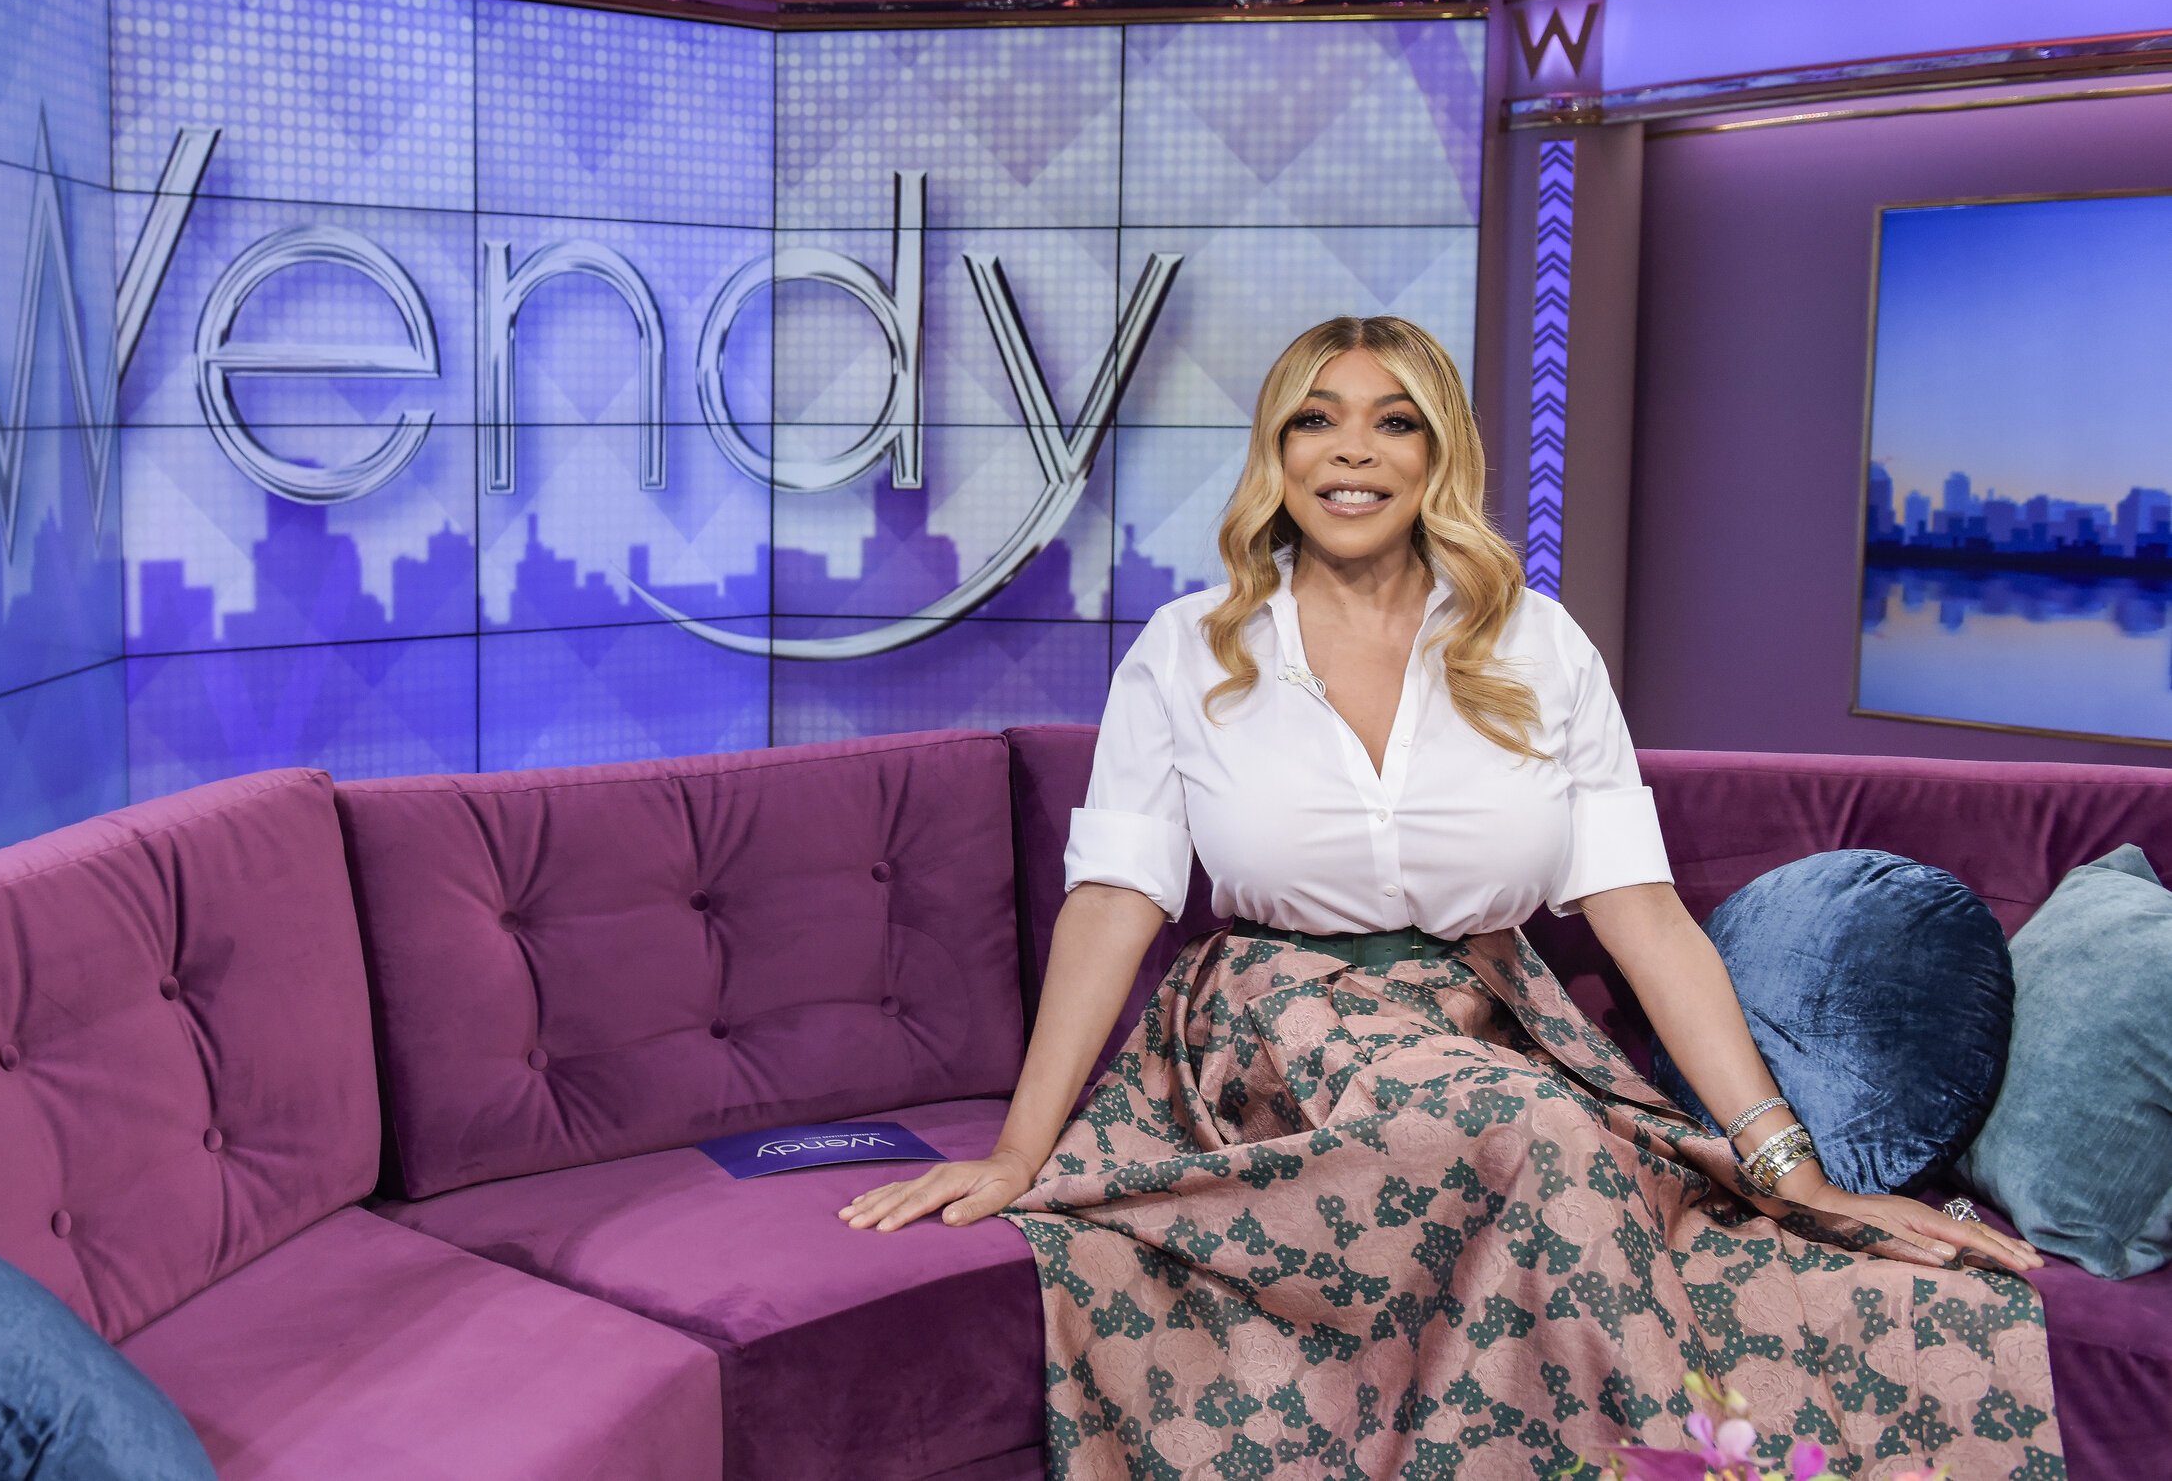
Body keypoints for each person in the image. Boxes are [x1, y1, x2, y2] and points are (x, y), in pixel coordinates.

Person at [839, 317, 2059, 1479]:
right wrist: (1018, 1151)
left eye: (1395, 422)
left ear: (1440, 456)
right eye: (1315, 420)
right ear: (1276, 452)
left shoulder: (1540, 645)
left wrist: (1789, 1167)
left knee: (1819, 1279)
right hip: (1271, 1041)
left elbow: (1643, 915)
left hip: (1491, 1023)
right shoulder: (1188, 645)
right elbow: (1115, 901)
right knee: (1537, 1138)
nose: (1352, 451)